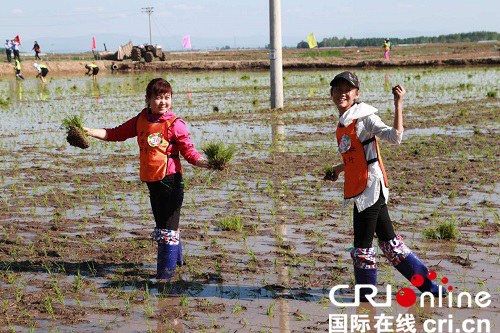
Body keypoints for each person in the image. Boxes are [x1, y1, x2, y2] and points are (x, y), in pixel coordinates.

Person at [326, 71, 443, 300]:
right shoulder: (343, 123)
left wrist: (398, 105)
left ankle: (365, 299)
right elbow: (356, 156)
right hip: (363, 187)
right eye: (337, 89)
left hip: (369, 188)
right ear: (331, 94)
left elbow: (394, 137)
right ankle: (430, 288)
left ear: (356, 94)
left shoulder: (364, 117)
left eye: (347, 90)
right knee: (390, 244)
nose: (342, 93)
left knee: (362, 247)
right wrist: (338, 170)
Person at [83, 78, 210, 280]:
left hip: (171, 181)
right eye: (158, 97)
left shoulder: (175, 124)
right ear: (148, 99)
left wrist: (204, 162)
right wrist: (90, 132)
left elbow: (189, 151)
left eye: (167, 98)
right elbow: (115, 133)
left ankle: (164, 277)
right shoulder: (140, 120)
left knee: (167, 228)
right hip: (152, 181)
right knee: (163, 224)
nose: (163, 102)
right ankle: (177, 263)